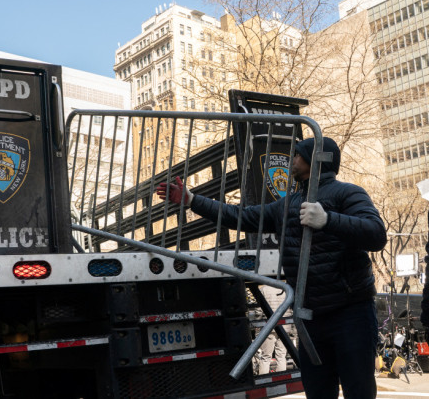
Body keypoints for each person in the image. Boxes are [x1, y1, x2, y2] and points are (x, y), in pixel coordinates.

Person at [156, 137, 387, 399]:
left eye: (298, 155)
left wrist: (327, 219)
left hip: (350, 313)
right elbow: (240, 216)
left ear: (316, 160)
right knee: (319, 392)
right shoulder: (287, 203)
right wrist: (191, 200)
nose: (293, 161)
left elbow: (376, 235)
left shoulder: (348, 193)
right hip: (311, 317)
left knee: (359, 391)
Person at [256, 285, 291, 375]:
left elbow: (258, 310)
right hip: (284, 326)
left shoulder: (263, 289)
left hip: (268, 327)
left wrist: (257, 322)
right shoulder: (286, 289)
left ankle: (264, 381)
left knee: (266, 357)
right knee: (281, 356)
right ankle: (282, 378)